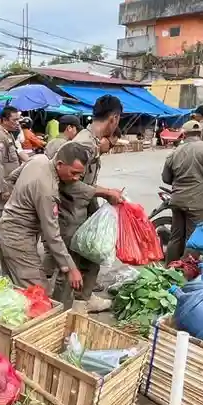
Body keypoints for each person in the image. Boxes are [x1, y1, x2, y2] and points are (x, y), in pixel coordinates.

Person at [0, 145, 121, 289]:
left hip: (6, 227)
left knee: (14, 289)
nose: (75, 178)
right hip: (17, 238)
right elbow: (52, 235)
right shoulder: (47, 191)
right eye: (73, 173)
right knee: (38, 293)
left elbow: (12, 178)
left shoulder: (39, 159)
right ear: (60, 164)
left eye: (79, 175)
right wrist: (70, 268)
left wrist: (19, 201)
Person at [47, 94, 125, 312]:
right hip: (70, 213)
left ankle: (84, 299)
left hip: (82, 210)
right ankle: (59, 312)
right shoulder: (84, 143)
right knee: (68, 267)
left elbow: (86, 182)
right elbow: (70, 185)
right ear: (114, 119)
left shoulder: (90, 141)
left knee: (93, 255)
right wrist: (105, 192)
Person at [161, 119, 203, 263]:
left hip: (177, 200)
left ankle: (169, 269)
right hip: (198, 202)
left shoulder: (174, 152)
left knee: (176, 237)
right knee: (193, 239)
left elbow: (166, 178)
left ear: (184, 135)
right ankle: (185, 273)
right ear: (200, 133)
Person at [0, 105, 23, 259]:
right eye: (14, 119)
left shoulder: (8, 135)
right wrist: (4, 189)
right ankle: (3, 253)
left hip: (7, 183)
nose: (17, 122)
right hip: (2, 184)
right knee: (4, 219)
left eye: (18, 119)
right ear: (4, 120)